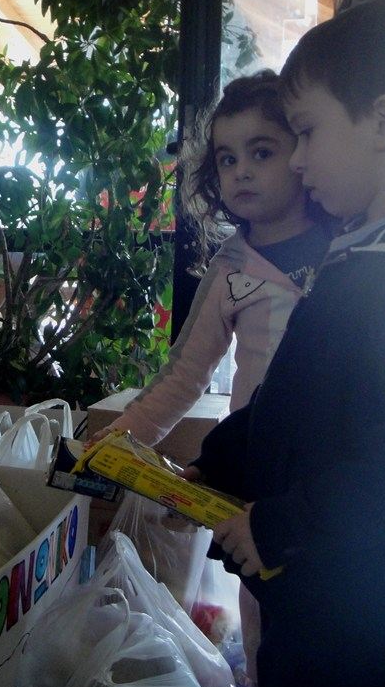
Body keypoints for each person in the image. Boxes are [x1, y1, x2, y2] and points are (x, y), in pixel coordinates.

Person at [187, 0, 385, 687]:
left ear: (384, 123)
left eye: (306, 132)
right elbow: (295, 404)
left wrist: (281, 526)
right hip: (316, 577)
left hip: (352, 593)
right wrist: (212, 464)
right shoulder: (368, 253)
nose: (299, 160)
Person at [89, 71, 333, 448]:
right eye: (227, 160)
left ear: (303, 152)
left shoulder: (350, 243)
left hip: (339, 461)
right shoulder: (229, 267)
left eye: (262, 153)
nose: (241, 172)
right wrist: (122, 436)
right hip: (256, 457)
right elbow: (185, 373)